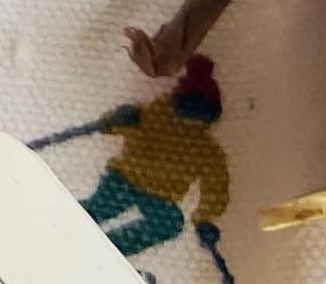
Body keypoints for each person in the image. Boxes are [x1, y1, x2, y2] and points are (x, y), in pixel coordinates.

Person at [79, 57, 231, 267]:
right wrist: (116, 119)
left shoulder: (207, 151)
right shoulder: (151, 118)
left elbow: (215, 187)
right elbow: (109, 127)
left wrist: (205, 217)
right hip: (126, 179)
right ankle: (67, 224)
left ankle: (112, 247)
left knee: (169, 223)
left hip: (158, 195)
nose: (193, 121)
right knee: (101, 208)